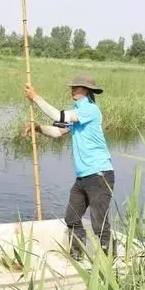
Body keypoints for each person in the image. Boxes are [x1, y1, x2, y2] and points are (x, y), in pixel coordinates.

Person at [23, 73, 115, 260]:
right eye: (72, 86)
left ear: (87, 91)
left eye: (77, 86)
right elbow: (57, 131)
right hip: (83, 178)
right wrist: (39, 128)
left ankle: (109, 260)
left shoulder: (90, 110)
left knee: (99, 223)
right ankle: (77, 256)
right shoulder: (78, 112)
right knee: (72, 218)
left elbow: (57, 115)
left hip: (99, 174)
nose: (73, 89)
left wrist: (36, 97)